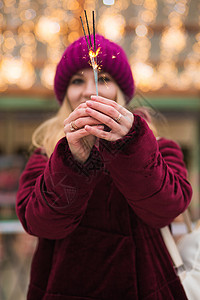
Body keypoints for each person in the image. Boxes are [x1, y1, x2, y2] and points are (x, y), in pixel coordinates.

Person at [16, 34, 192, 300]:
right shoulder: (46, 154)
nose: (89, 90)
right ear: (66, 96)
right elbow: (40, 224)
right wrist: (73, 160)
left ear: (120, 92)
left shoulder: (158, 147)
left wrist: (130, 144)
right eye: (77, 81)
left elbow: (167, 209)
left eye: (103, 79)